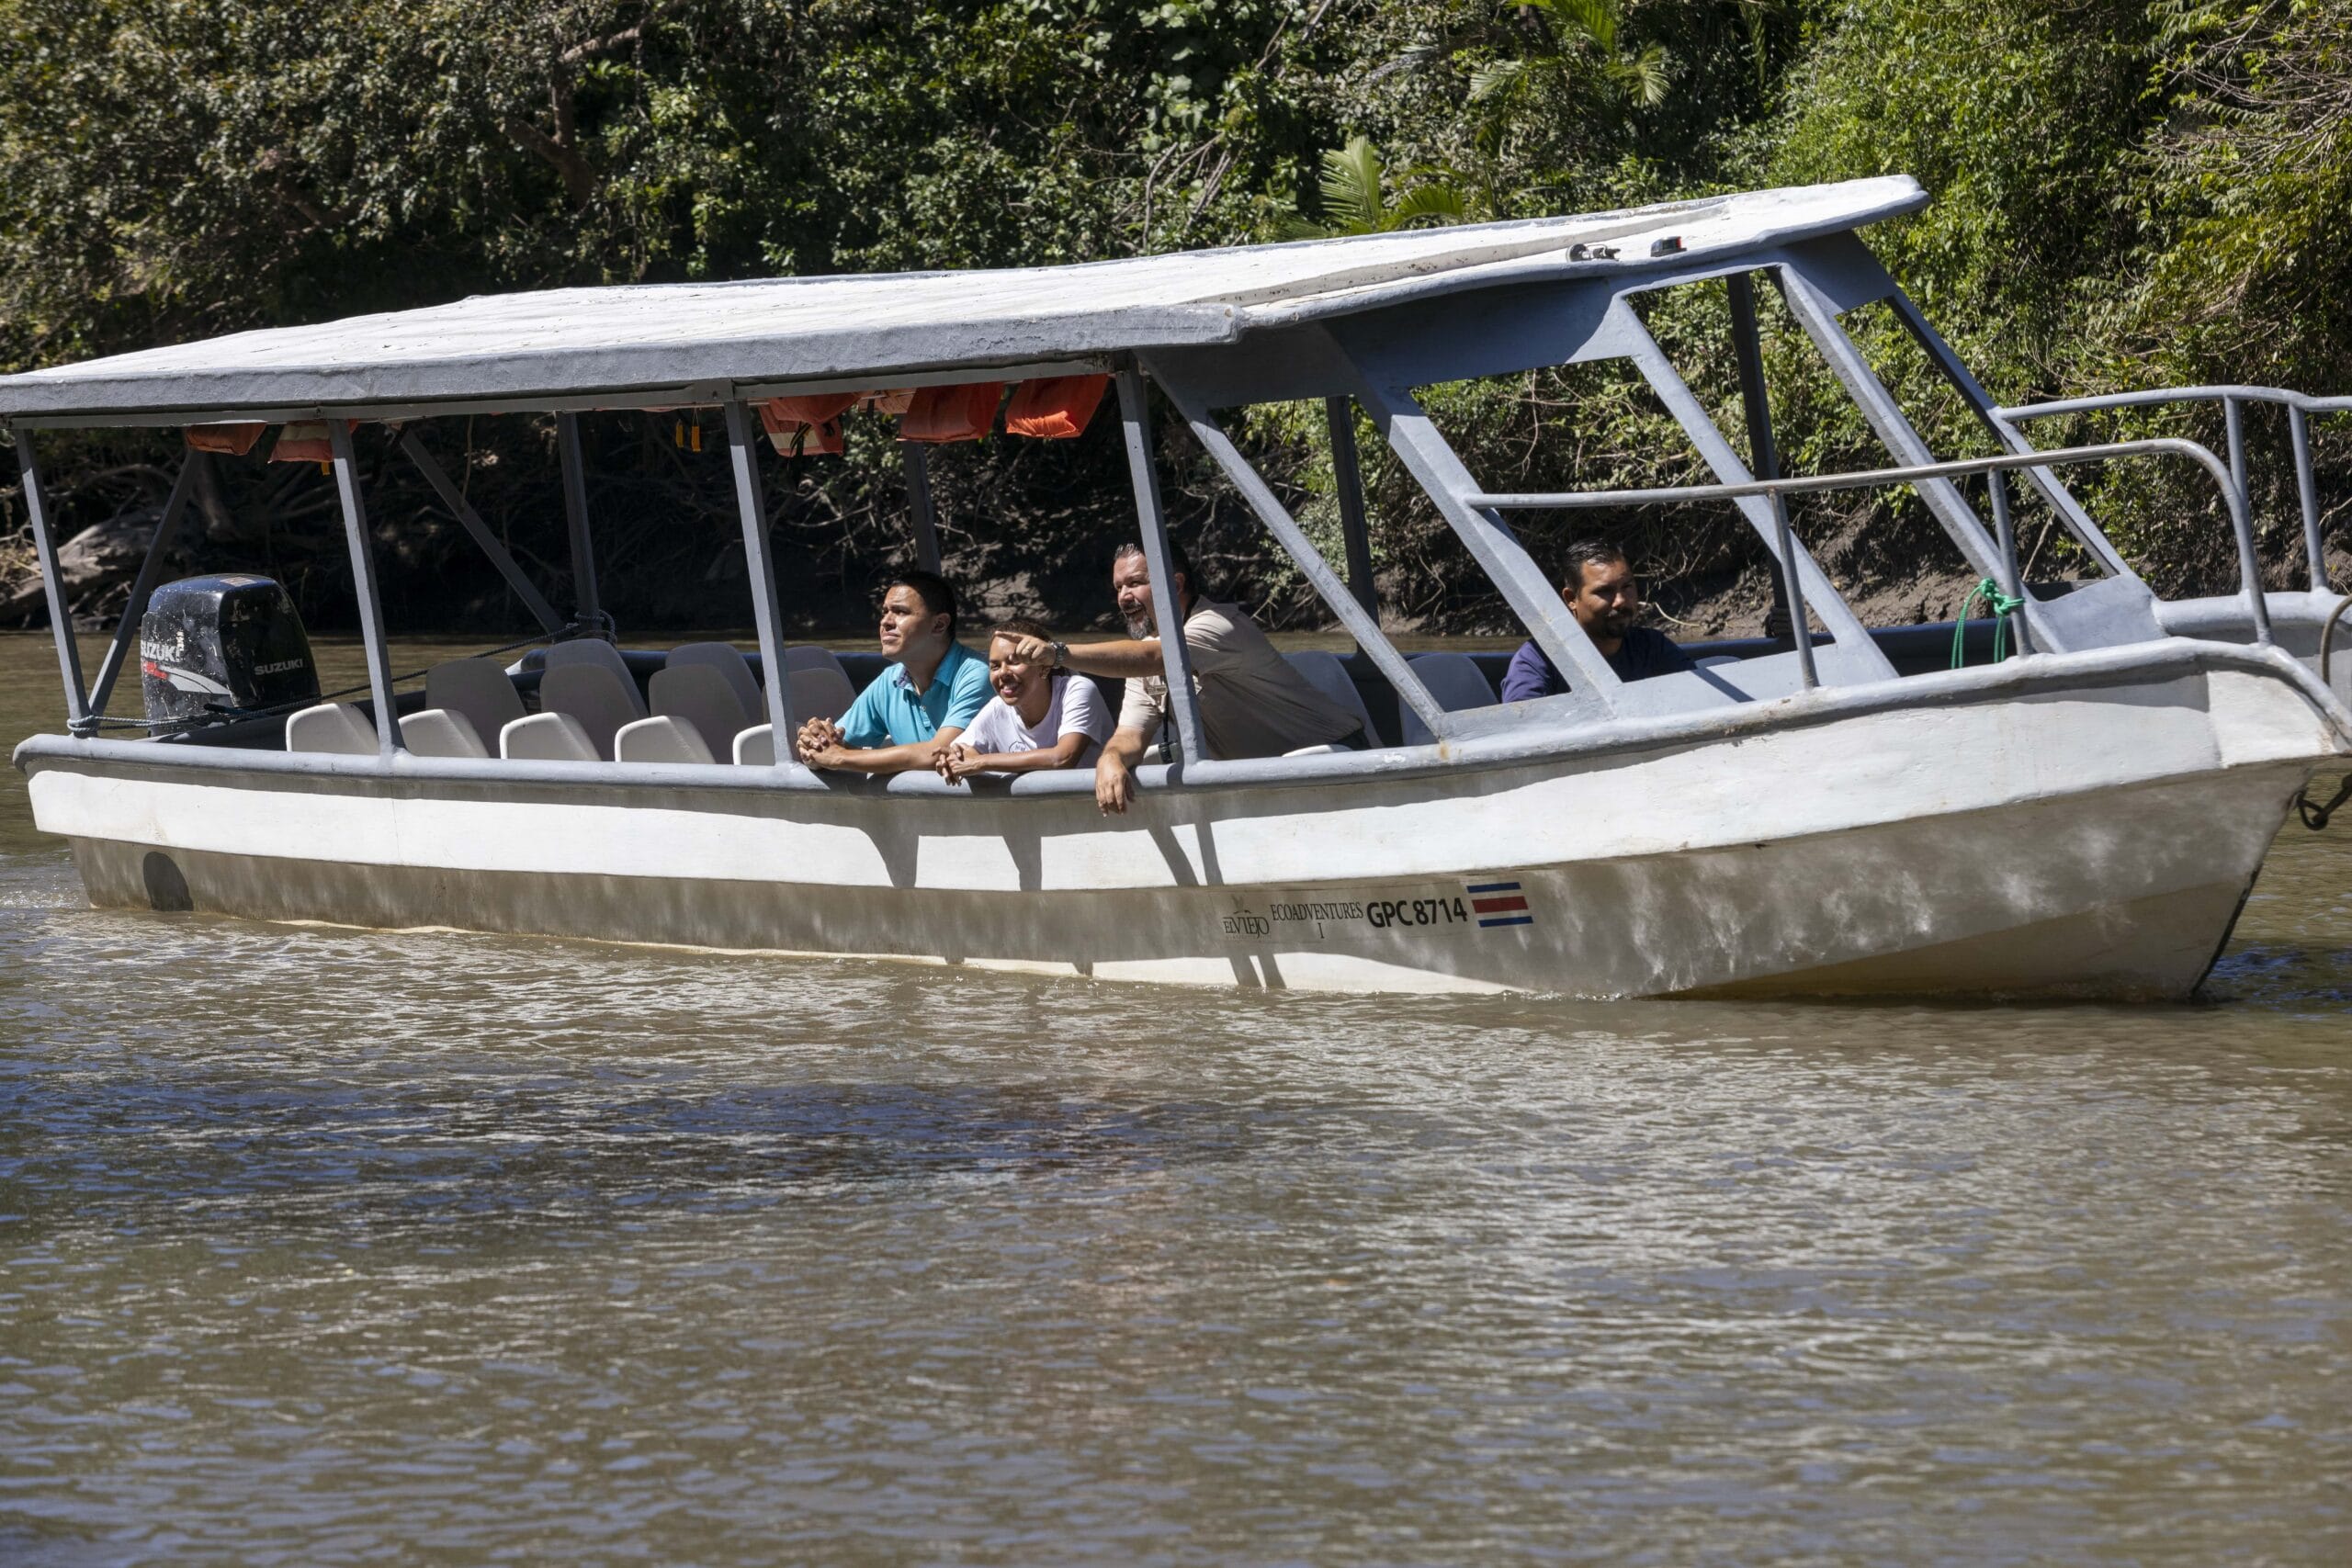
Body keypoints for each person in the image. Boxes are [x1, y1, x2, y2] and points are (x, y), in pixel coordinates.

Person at [1003, 539, 1363, 816]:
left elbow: (1160, 657)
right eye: (1118, 588)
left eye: (1135, 584)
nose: (1124, 597)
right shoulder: (1142, 662)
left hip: (1338, 763)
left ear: (1175, 583)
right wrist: (1110, 758)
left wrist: (1059, 654)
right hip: (1264, 779)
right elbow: (1131, 734)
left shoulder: (1218, 626)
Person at [797, 569, 991, 773]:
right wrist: (817, 746)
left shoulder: (978, 675)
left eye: (900, 612)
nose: (885, 622)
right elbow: (840, 744)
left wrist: (840, 757)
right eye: (885, 612)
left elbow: (941, 753)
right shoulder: (890, 681)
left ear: (939, 625)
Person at [1499, 538, 1694, 703]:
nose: (1620, 601)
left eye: (1627, 586)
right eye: (1604, 591)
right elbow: (1522, 727)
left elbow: (1697, 698)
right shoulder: (1537, 660)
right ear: (1571, 599)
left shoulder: (1653, 646)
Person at [935, 618, 1114, 782]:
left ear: (1044, 668)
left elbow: (1063, 758)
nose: (1003, 673)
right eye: (995, 666)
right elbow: (962, 752)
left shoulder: (1077, 690)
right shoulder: (997, 708)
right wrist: (952, 757)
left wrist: (981, 762)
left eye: (1014, 662)